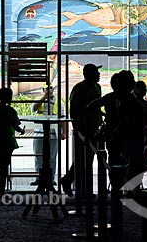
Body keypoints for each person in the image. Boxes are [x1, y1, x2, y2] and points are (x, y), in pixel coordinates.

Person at [60, 63, 102, 197]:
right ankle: (82, 189)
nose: (99, 75)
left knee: (86, 160)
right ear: (88, 74)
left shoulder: (97, 87)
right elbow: (74, 109)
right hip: (83, 130)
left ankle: (70, 181)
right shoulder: (79, 89)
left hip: (94, 129)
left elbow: (97, 108)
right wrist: (77, 126)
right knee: (83, 160)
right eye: (96, 72)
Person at [0, 87, 25, 197]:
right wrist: (21, 131)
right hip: (7, 141)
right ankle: (1, 190)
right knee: (4, 167)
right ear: (9, 98)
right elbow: (16, 125)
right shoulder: (10, 111)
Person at [30, 85, 66, 186]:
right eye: (47, 89)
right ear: (43, 90)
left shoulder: (59, 102)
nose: (50, 90)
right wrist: (44, 97)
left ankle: (51, 179)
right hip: (39, 132)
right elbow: (34, 108)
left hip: (53, 132)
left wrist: (64, 132)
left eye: (51, 89)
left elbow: (62, 117)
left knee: (52, 157)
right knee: (38, 156)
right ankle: (38, 178)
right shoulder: (38, 99)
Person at [133, 80, 147, 173]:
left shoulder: (144, 104)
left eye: (145, 88)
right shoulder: (146, 105)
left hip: (142, 134)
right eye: (142, 88)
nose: (145, 90)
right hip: (143, 133)